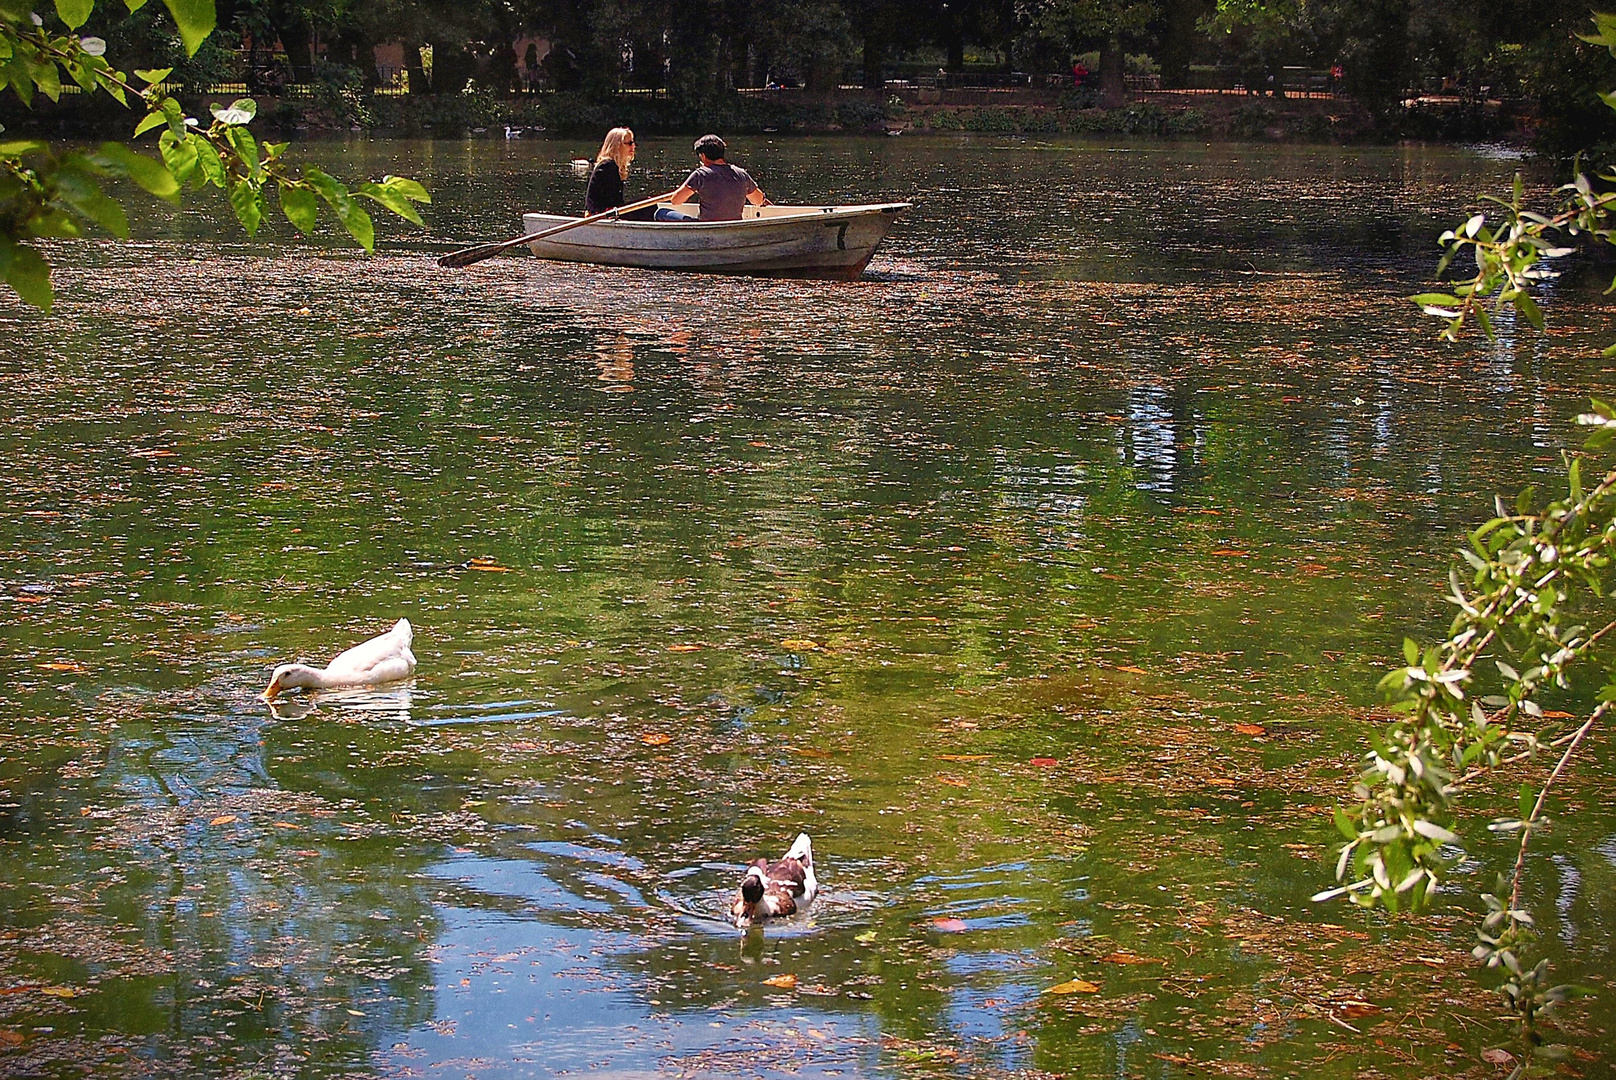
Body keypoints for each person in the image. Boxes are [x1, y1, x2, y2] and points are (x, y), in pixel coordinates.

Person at [584, 127, 689, 222]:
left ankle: (686, 220)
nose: (633, 146)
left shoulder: (613, 166)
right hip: (602, 214)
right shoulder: (607, 166)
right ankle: (689, 221)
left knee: (649, 204)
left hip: (611, 210)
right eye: (629, 143)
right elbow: (608, 203)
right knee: (649, 208)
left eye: (633, 142)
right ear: (617, 146)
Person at [666, 134, 770, 222]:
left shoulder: (701, 174)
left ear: (703, 156)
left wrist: (696, 188)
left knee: (660, 213)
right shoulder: (741, 174)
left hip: (707, 228)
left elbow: (675, 201)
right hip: (734, 227)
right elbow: (758, 200)